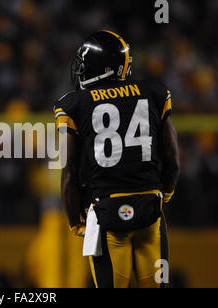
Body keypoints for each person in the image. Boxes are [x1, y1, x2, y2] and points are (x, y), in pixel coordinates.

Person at [55, 30, 180, 288]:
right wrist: (164, 195)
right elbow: (173, 158)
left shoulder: (73, 103)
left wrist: (74, 220)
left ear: (103, 68)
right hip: (150, 209)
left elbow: (69, 170)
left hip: (106, 211)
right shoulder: (153, 92)